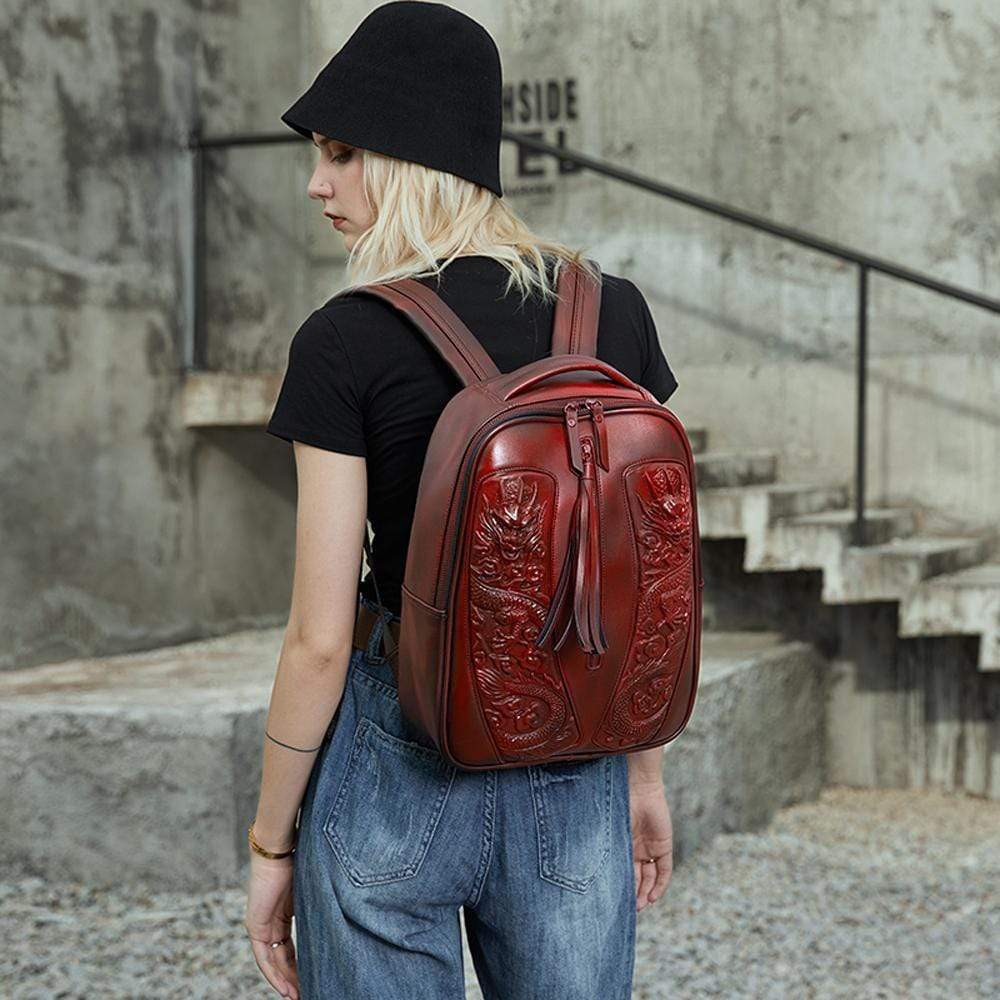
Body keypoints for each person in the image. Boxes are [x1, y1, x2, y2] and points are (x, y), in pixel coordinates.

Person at [244, 3, 678, 998]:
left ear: (414, 156)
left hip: (396, 757)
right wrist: (644, 774)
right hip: (575, 755)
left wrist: (271, 845)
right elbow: (644, 581)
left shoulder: (343, 339)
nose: (316, 182)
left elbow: (319, 638)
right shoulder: (612, 311)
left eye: (342, 153)